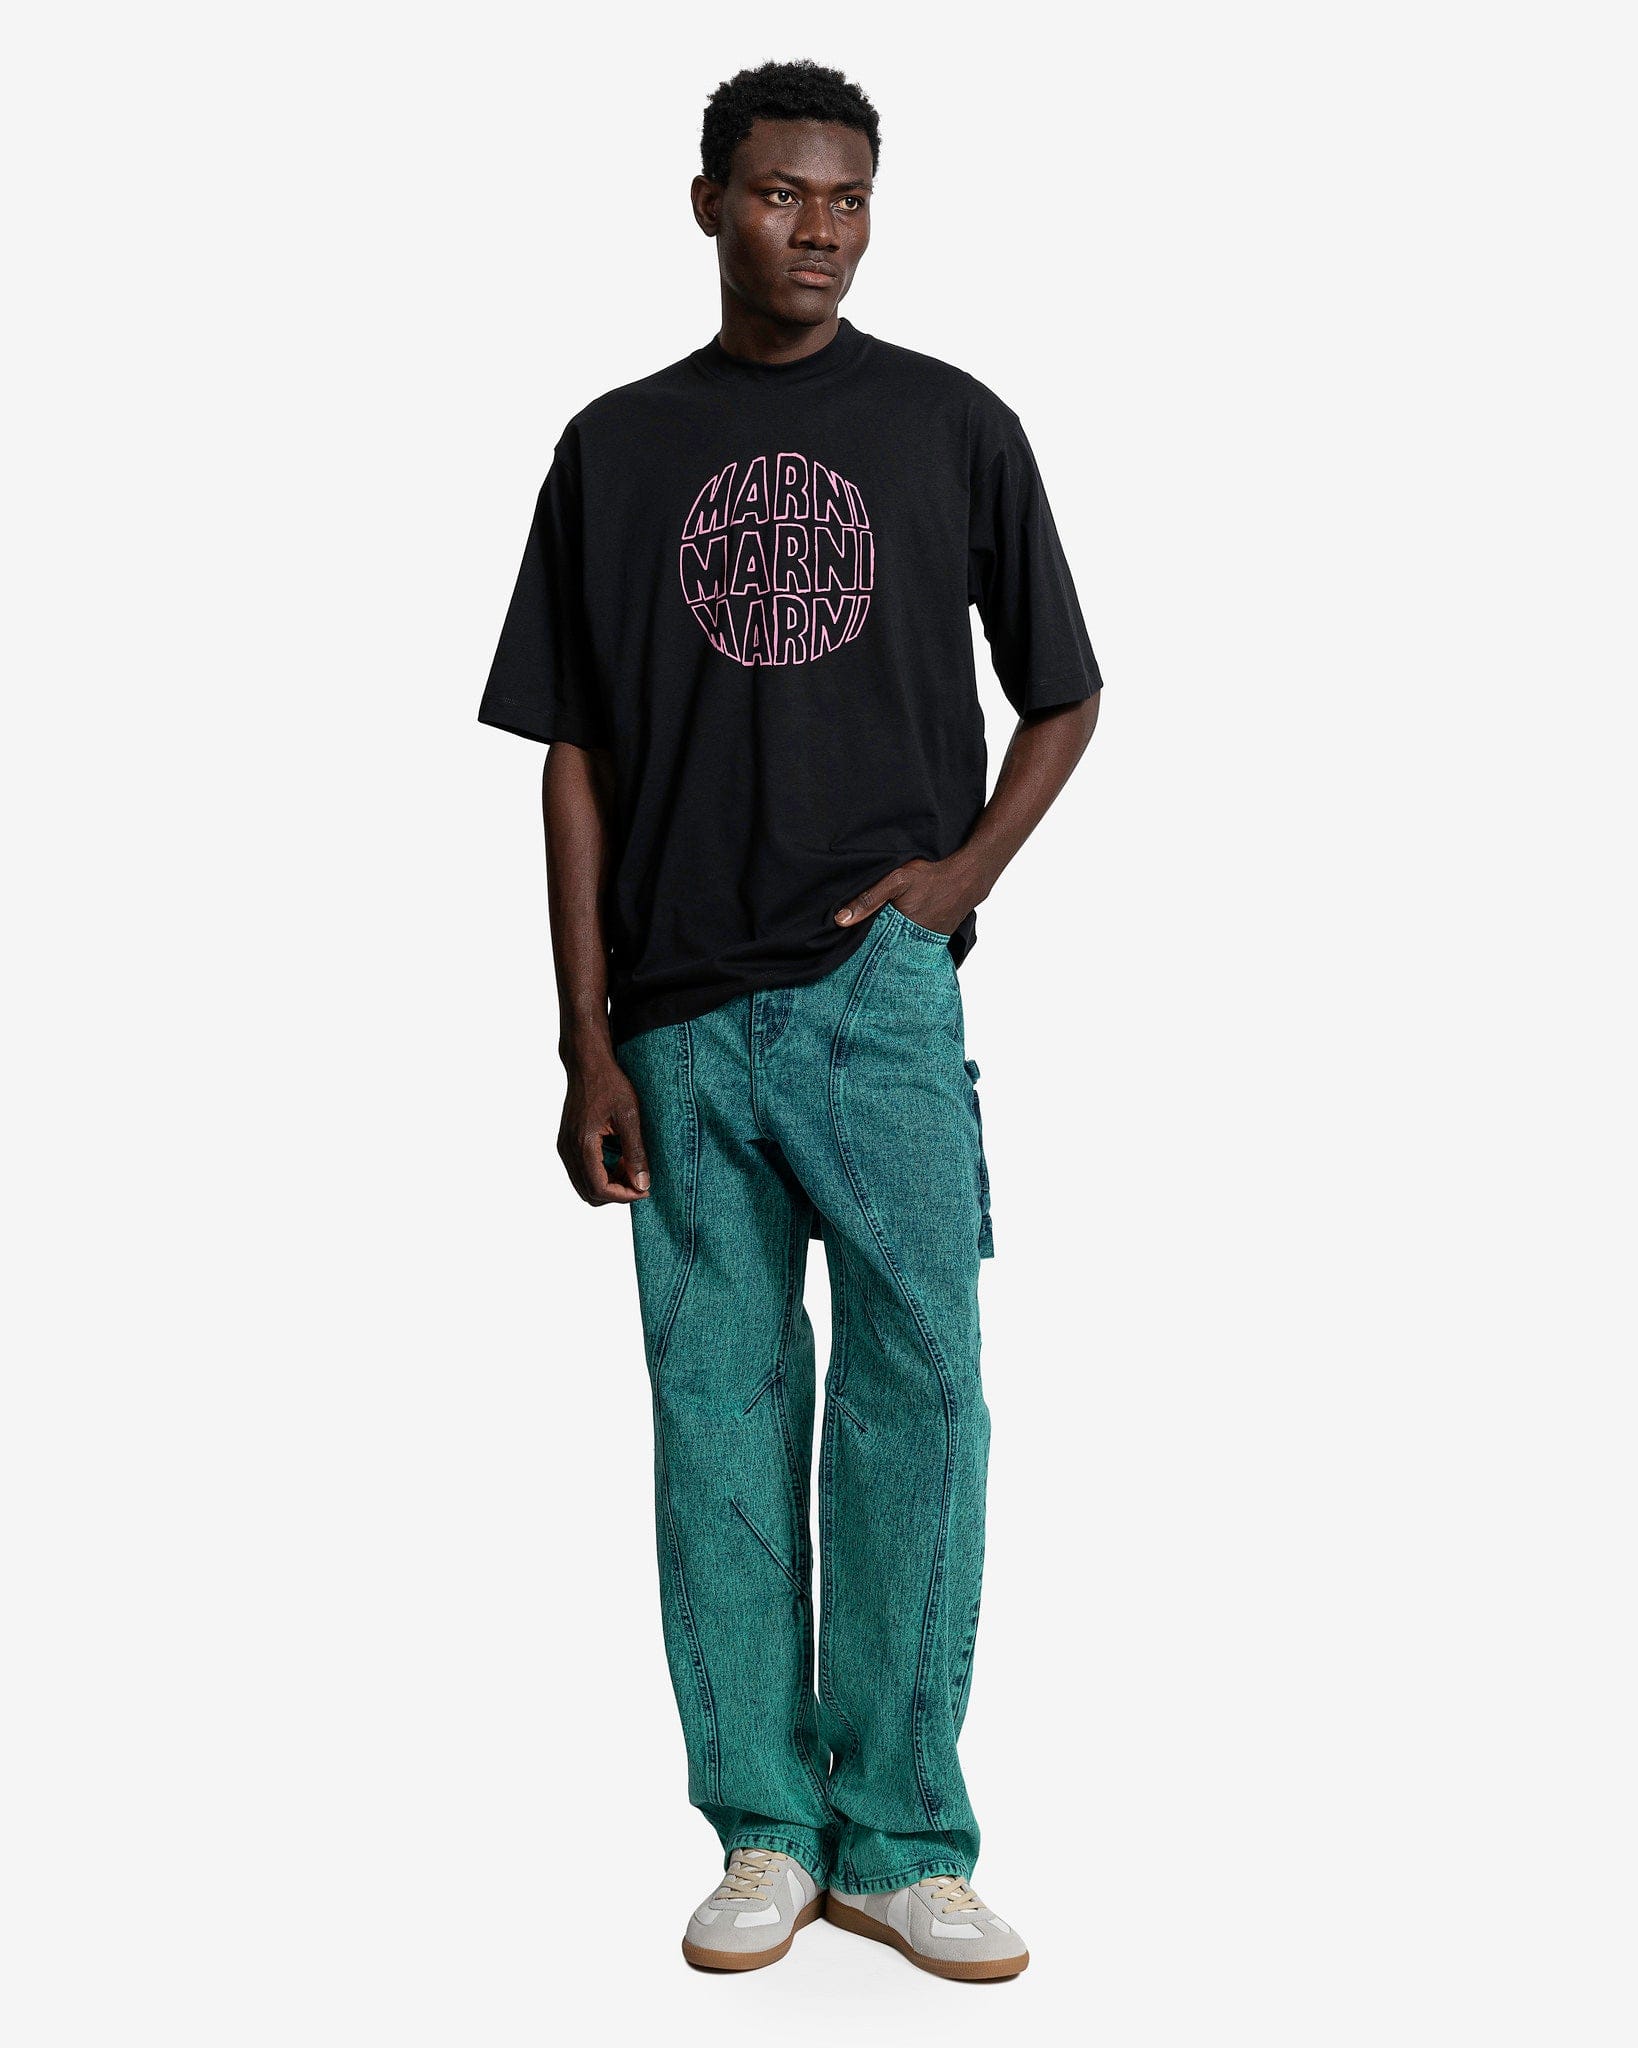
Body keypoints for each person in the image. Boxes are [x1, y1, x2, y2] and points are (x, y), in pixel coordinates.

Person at [478, 58, 1102, 1982]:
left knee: (922, 1401)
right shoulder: (613, 448)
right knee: (719, 1420)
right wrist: (583, 1038)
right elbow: (571, 754)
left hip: (876, 1000)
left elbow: (1065, 691)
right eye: (777, 194)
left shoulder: (951, 426)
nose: (815, 228)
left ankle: (902, 1840)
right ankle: (762, 1826)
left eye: (845, 197)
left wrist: (956, 883)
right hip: (675, 1016)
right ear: (706, 204)